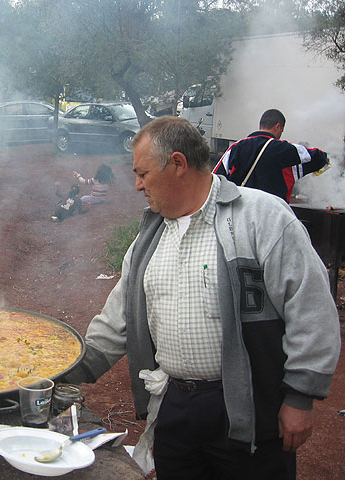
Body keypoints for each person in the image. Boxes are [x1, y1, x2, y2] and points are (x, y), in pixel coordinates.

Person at [64, 116, 340, 479]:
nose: (136, 185)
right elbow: (118, 320)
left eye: (143, 173)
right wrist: (65, 372)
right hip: (175, 405)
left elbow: (311, 309)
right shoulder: (149, 238)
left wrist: (300, 396)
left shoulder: (261, 217)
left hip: (249, 404)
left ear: (178, 164)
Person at [213, 109, 328, 202]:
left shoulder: (236, 147)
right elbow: (318, 157)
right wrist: (325, 159)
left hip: (240, 213)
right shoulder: (283, 149)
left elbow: (216, 179)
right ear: (278, 126)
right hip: (271, 216)